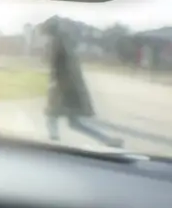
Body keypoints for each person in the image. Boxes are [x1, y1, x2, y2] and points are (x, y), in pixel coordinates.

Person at [43, 19, 124, 147]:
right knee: (73, 123)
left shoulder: (57, 43)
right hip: (67, 88)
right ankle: (106, 140)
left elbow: (57, 67)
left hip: (62, 89)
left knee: (53, 118)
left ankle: (53, 144)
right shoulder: (64, 42)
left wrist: (55, 87)